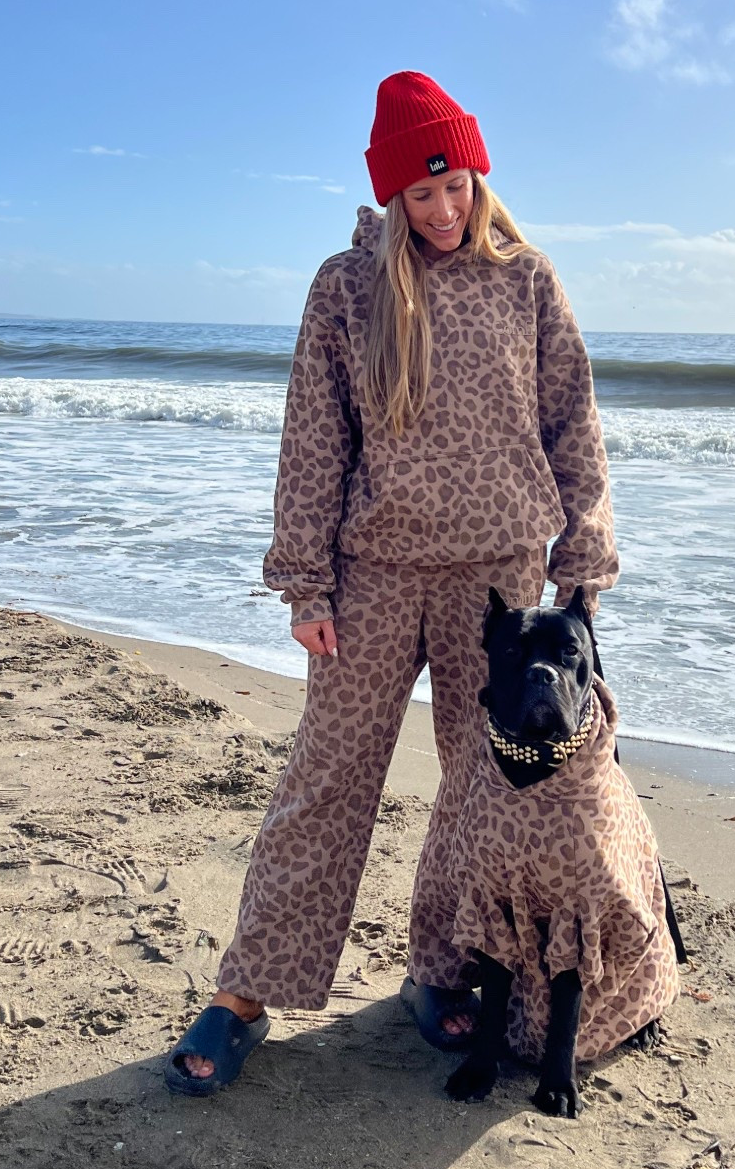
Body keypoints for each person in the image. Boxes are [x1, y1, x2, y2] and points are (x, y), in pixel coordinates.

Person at [165, 70, 618, 1094]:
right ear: (390, 195)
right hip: (372, 573)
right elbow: (313, 439)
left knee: (481, 788)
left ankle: (444, 965)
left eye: (457, 185)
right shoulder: (347, 285)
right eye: (423, 194)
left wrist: (585, 552)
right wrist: (307, 581)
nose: (445, 209)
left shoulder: (528, 279)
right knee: (326, 781)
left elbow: (574, 420)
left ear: (478, 175)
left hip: (498, 576)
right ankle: (247, 991)